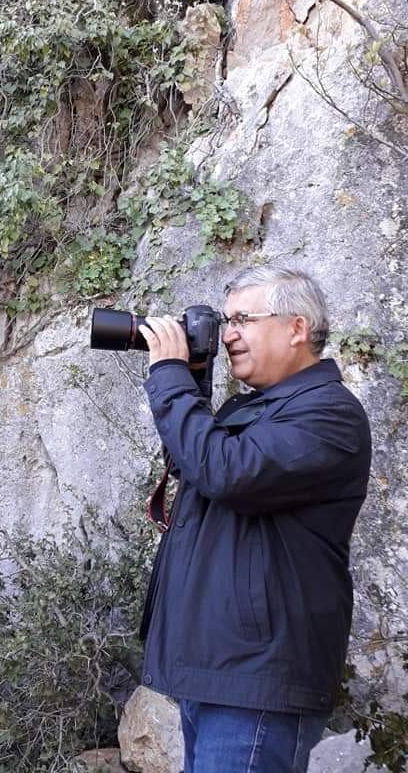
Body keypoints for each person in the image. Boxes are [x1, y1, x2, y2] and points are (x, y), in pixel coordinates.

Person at [137, 266, 371, 773]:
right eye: (225, 321)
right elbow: (197, 463)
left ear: (297, 328)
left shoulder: (328, 413)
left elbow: (226, 473)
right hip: (222, 669)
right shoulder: (255, 409)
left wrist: (170, 377)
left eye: (244, 318)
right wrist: (194, 385)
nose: (228, 334)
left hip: (259, 679)